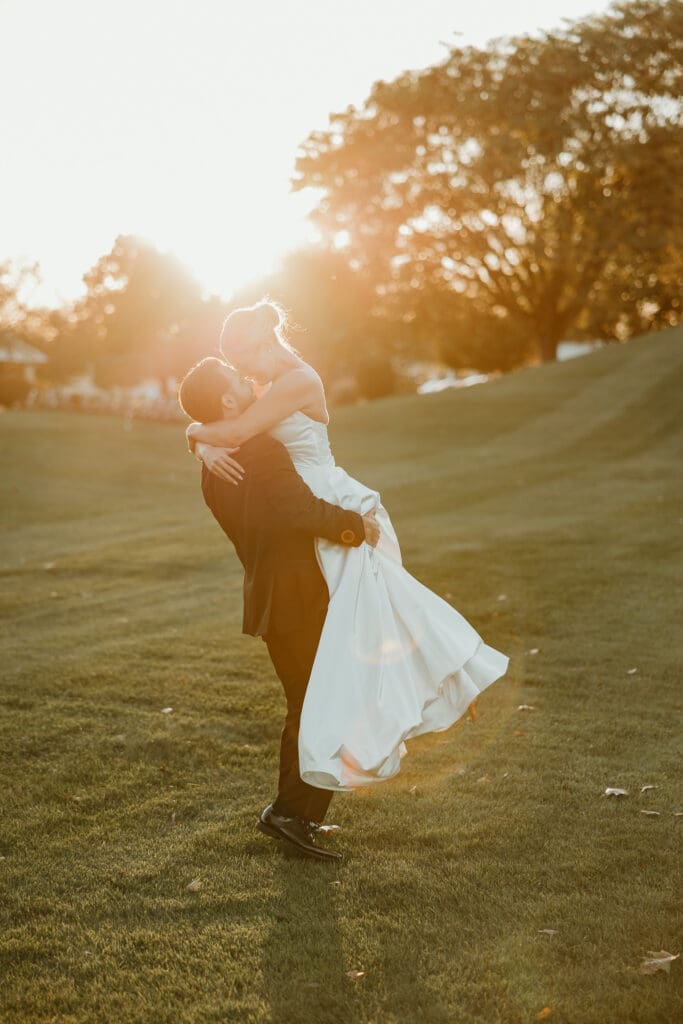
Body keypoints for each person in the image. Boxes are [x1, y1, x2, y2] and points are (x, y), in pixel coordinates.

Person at [188, 297, 510, 792]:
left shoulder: (299, 380)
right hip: (312, 514)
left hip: (331, 501)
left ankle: (448, 676)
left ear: (263, 342)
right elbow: (234, 428)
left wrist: (196, 435)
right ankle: (414, 697)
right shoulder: (265, 384)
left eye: (242, 358)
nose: (241, 371)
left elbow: (237, 429)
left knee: (380, 609)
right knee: (359, 625)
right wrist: (203, 440)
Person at [178, 357, 380, 861]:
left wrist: (198, 439)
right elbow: (298, 510)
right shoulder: (261, 450)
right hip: (295, 596)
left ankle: (302, 814)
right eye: (236, 381)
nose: (248, 383)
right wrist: (357, 525)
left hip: (273, 595)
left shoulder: (215, 466)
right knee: (314, 703)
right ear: (226, 401)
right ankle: (288, 814)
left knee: (315, 700)